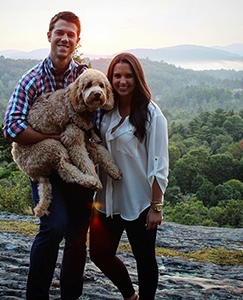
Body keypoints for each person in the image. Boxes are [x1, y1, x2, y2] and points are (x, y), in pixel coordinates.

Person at [3, 11, 93, 300]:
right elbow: (12, 127)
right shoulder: (31, 80)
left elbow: (102, 112)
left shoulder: (83, 76)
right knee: (53, 227)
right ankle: (37, 295)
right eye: (60, 32)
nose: (65, 38)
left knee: (78, 237)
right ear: (49, 36)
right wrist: (54, 139)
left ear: (77, 41)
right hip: (46, 165)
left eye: (71, 35)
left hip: (77, 166)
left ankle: (71, 296)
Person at [89, 52, 169, 300]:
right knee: (99, 254)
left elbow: (158, 163)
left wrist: (156, 206)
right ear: (110, 78)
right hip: (106, 201)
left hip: (140, 201)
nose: (122, 81)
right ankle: (129, 295)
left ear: (138, 78)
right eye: (117, 76)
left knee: (145, 259)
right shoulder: (105, 111)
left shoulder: (152, 115)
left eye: (128, 76)